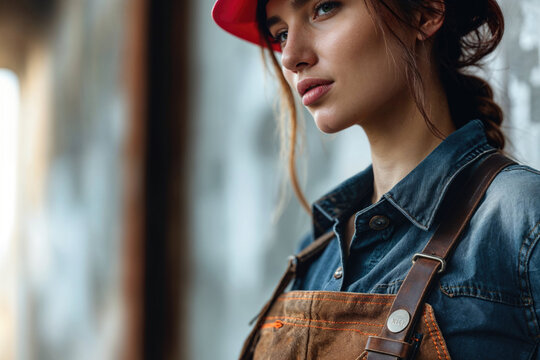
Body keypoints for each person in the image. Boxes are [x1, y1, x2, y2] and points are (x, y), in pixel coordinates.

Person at [212, 0, 540, 359]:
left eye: (323, 8)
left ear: (426, 11)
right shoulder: (321, 248)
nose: (290, 56)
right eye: (281, 34)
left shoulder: (520, 220)